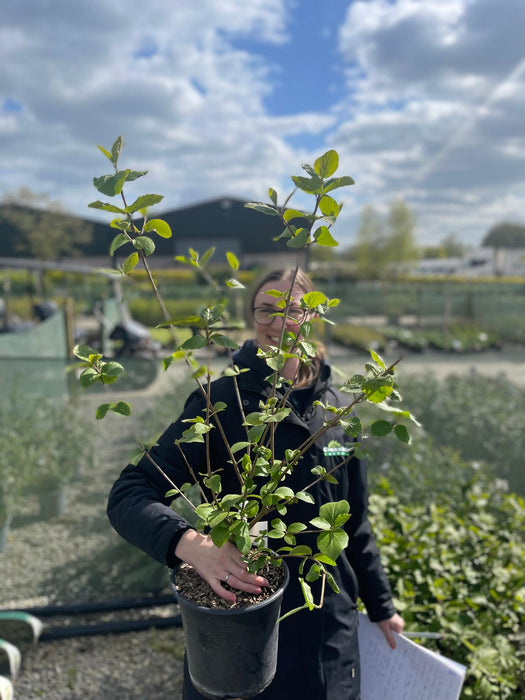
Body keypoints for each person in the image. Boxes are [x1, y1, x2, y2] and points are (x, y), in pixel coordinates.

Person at [107, 268, 404, 699]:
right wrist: (191, 545)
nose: (277, 322)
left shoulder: (340, 409)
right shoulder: (221, 403)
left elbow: (354, 525)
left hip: (328, 626)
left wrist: (382, 607)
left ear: (313, 317)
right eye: (265, 309)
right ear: (251, 318)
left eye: (291, 310)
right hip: (243, 621)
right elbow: (131, 492)